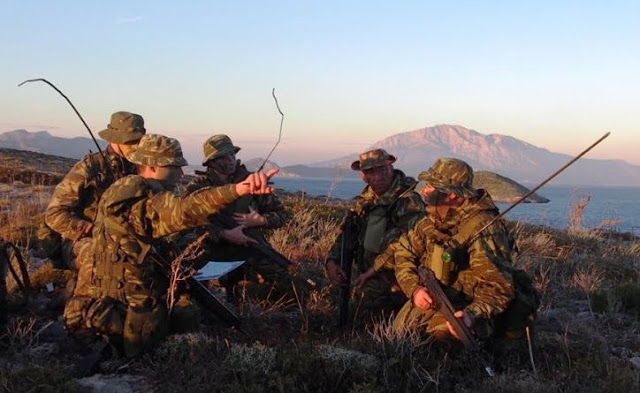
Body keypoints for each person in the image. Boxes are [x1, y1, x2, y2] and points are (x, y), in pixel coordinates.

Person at [63, 134, 276, 357]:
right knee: (187, 315)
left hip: (112, 295)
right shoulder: (137, 202)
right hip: (123, 306)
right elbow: (185, 209)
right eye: (175, 167)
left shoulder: (125, 190)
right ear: (153, 167)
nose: (181, 174)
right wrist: (238, 190)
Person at [393, 158, 539, 340]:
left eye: (432, 186)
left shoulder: (484, 229)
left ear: (453, 194)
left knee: (440, 337)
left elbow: (499, 288)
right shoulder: (430, 218)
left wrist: (471, 315)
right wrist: (414, 289)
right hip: (435, 298)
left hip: (471, 309)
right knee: (399, 333)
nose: (425, 190)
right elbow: (403, 253)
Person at [181, 134, 293, 301]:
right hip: (209, 249)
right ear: (211, 162)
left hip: (249, 248)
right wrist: (223, 234)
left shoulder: (251, 182)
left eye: (232, 155)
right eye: (223, 157)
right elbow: (185, 220)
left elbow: (283, 215)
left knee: (285, 279)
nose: (230, 160)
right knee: (194, 288)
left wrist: (261, 220)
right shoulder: (198, 187)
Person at [325, 148, 425, 320]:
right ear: (363, 176)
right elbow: (348, 232)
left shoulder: (408, 201)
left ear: (391, 168)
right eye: (371, 172)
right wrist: (332, 260)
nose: (378, 176)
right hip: (368, 277)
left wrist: (373, 270)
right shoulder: (365, 201)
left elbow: (407, 242)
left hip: (398, 278)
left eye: (382, 169)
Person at [39, 111, 145, 270]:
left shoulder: (140, 169)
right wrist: (90, 229)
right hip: (83, 241)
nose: (135, 146)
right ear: (115, 139)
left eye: (138, 141)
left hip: (126, 239)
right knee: (103, 258)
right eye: (130, 141)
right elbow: (54, 214)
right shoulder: (89, 168)